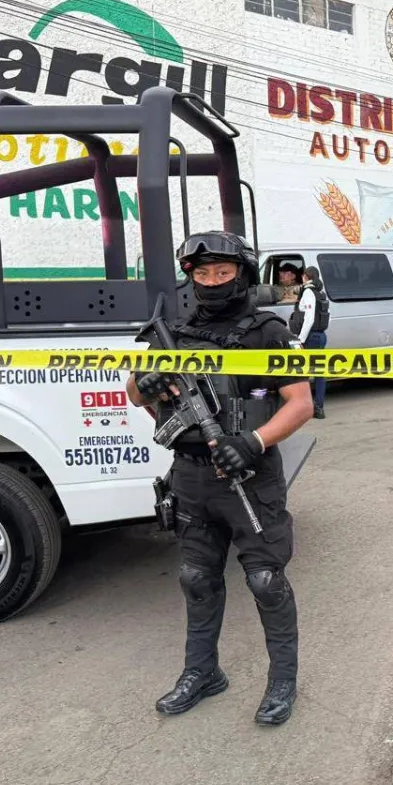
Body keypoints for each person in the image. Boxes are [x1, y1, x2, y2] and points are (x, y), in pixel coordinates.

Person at [126, 231, 314, 725]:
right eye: (201, 273)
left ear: (242, 275)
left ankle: (282, 682)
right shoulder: (173, 330)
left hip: (250, 476)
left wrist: (254, 441)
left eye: (222, 273)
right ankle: (202, 672)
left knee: (266, 579)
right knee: (195, 577)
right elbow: (135, 393)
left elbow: (300, 403)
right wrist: (143, 385)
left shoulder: (268, 332)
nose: (211, 282)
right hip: (190, 476)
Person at [290, 265, 330, 420]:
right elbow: (326, 315)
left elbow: (309, 318)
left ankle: (304, 407)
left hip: (310, 336)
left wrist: (301, 339)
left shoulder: (308, 292)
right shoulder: (321, 292)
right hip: (320, 335)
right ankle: (318, 407)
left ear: (305, 277)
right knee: (319, 372)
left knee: (302, 372)